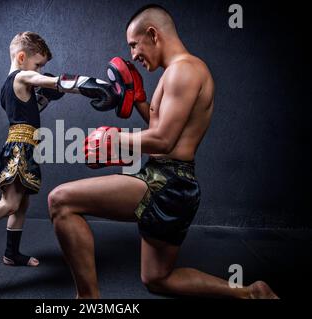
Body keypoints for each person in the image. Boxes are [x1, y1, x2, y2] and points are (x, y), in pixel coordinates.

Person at [47, 5, 279, 299]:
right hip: (169, 182)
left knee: (61, 201)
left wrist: (114, 137)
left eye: (134, 44)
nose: (133, 55)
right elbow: (162, 127)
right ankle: (251, 293)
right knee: (158, 279)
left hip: (168, 182)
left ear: (153, 34)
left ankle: (88, 300)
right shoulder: (175, 72)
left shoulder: (186, 71)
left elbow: (164, 140)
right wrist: (138, 100)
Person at [0, 31, 121, 271]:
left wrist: (49, 97)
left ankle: (11, 254)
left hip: (26, 145)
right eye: (38, 65)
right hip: (20, 147)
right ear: (22, 57)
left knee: (21, 204)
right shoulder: (22, 77)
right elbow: (56, 82)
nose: (39, 72)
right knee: (10, 203)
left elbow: (32, 110)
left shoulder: (10, 87)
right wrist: (96, 86)